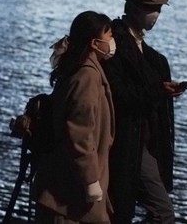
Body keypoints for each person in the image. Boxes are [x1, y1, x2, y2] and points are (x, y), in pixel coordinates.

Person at [101, 0, 186, 224]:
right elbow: (120, 94)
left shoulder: (146, 52)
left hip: (142, 142)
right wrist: (159, 91)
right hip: (127, 142)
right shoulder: (114, 46)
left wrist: (162, 91)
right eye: (151, 9)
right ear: (133, 8)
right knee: (162, 212)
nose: (156, 15)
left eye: (158, 9)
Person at [34, 11, 117, 224]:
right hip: (69, 195)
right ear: (94, 43)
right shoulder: (87, 76)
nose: (112, 41)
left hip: (66, 188)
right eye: (109, 36)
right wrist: (91, 180)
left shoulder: (78, 69)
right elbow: (79, 132)